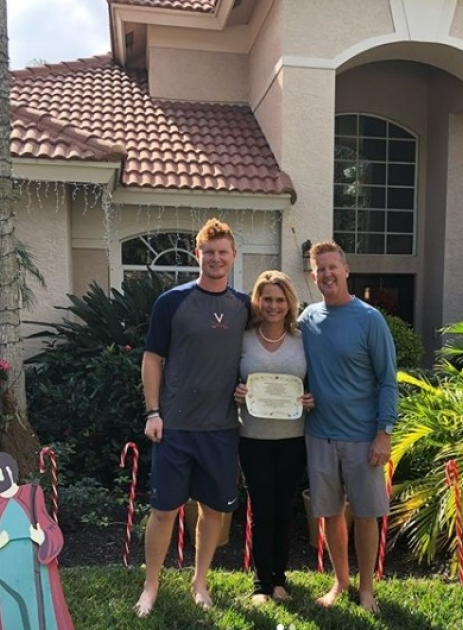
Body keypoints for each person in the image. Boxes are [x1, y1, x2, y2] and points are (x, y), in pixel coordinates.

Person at [135, 218, 250, 617]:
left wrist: (246, 386)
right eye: (209, 252)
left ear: (233, 257)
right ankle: (151, 585)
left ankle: (199, 582)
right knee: (164, 510)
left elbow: (258, 355)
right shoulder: (172, 302)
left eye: (223, 252)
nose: (216, 259)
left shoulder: (244, 307)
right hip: (175, 426)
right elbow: (152, 358)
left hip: (221, 428)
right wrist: (153, 411)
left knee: (213, 511)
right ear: (197, 255)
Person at [298, 240, 398, 614]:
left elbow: (388, 380)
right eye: (319, 269)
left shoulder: (370, 319)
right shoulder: (306, 319)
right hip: (320, 434)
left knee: (367, 514)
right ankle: (341, 580)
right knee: (329, 514)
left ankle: (368, 588)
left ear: (346, 269)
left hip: (362, 437)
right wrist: (303, 393)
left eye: (332, 267)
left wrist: (383, 434)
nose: (326, 274)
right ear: (313, 276)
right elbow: (298, 367)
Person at [232, 271, 314, 605]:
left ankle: (280, 580)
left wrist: (312, 398)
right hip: (253, 436)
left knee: (283, 509)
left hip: (293, 436)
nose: (273, 305)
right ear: (258, 301)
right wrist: (234, 392)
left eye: (280, 300)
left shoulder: (303, 338)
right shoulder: (243, 338)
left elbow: (316, 379)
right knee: (261, 510)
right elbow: (226, 377)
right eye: (267, 299)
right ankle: (260, 583)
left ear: (289, 303)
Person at [0, 452, 75, 630]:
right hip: (4, 574)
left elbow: (50, 528)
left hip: (34, 568)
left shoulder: (32, 495)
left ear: (7, 472)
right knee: (11, 609)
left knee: (40, 608)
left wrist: (42, 538)